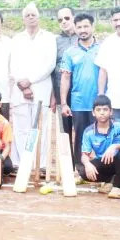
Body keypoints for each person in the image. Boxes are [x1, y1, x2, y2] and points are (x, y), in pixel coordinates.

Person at [9, 3, 56, 169]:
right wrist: (23, 85)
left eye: (33, 15)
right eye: (27, 15)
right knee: (21, 128)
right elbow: (13, 65)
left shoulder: (49, 37)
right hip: (20, 90)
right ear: (23, 19)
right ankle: (21, 162)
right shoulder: (17, 39)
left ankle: (40, 164)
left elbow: (50, 64)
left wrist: (30, 81)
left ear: (39, 17)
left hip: (41, 88)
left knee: (40, 128)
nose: (30, 18)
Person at [60, 13, 100, 168]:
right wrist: (64, 103)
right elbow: (65, 78)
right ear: (75, 29)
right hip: (78, 102)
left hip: (99, 103)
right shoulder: (70, 52)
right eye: (79, 27)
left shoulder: (101, 49)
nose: (83, 30)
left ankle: (100, 169)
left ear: (92, 27)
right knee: (80, 138)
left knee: (100, 136)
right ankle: (80, 169)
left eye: (86, 26)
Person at [78, 95, 120, 198]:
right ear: (93, 112)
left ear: (111, 111)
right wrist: (87, 164)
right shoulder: (88, 132)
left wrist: (115, 146)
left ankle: (118, 187)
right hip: (104, 162)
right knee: (83, 172)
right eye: (98, 110)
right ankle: (111, 180)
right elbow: (84, 155)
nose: (102, 113)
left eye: (105, 109)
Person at [54, 7, 79, 145]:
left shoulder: (83, 37)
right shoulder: (55, 41)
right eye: (60, 19)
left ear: (74, 17)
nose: (64, 21)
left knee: (82, 125)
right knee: (63, 127)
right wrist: (53, 94)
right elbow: (52, 68)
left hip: (80, 89)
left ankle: (82, 160)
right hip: (61, 90)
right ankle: (65, 159)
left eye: (67, 18)